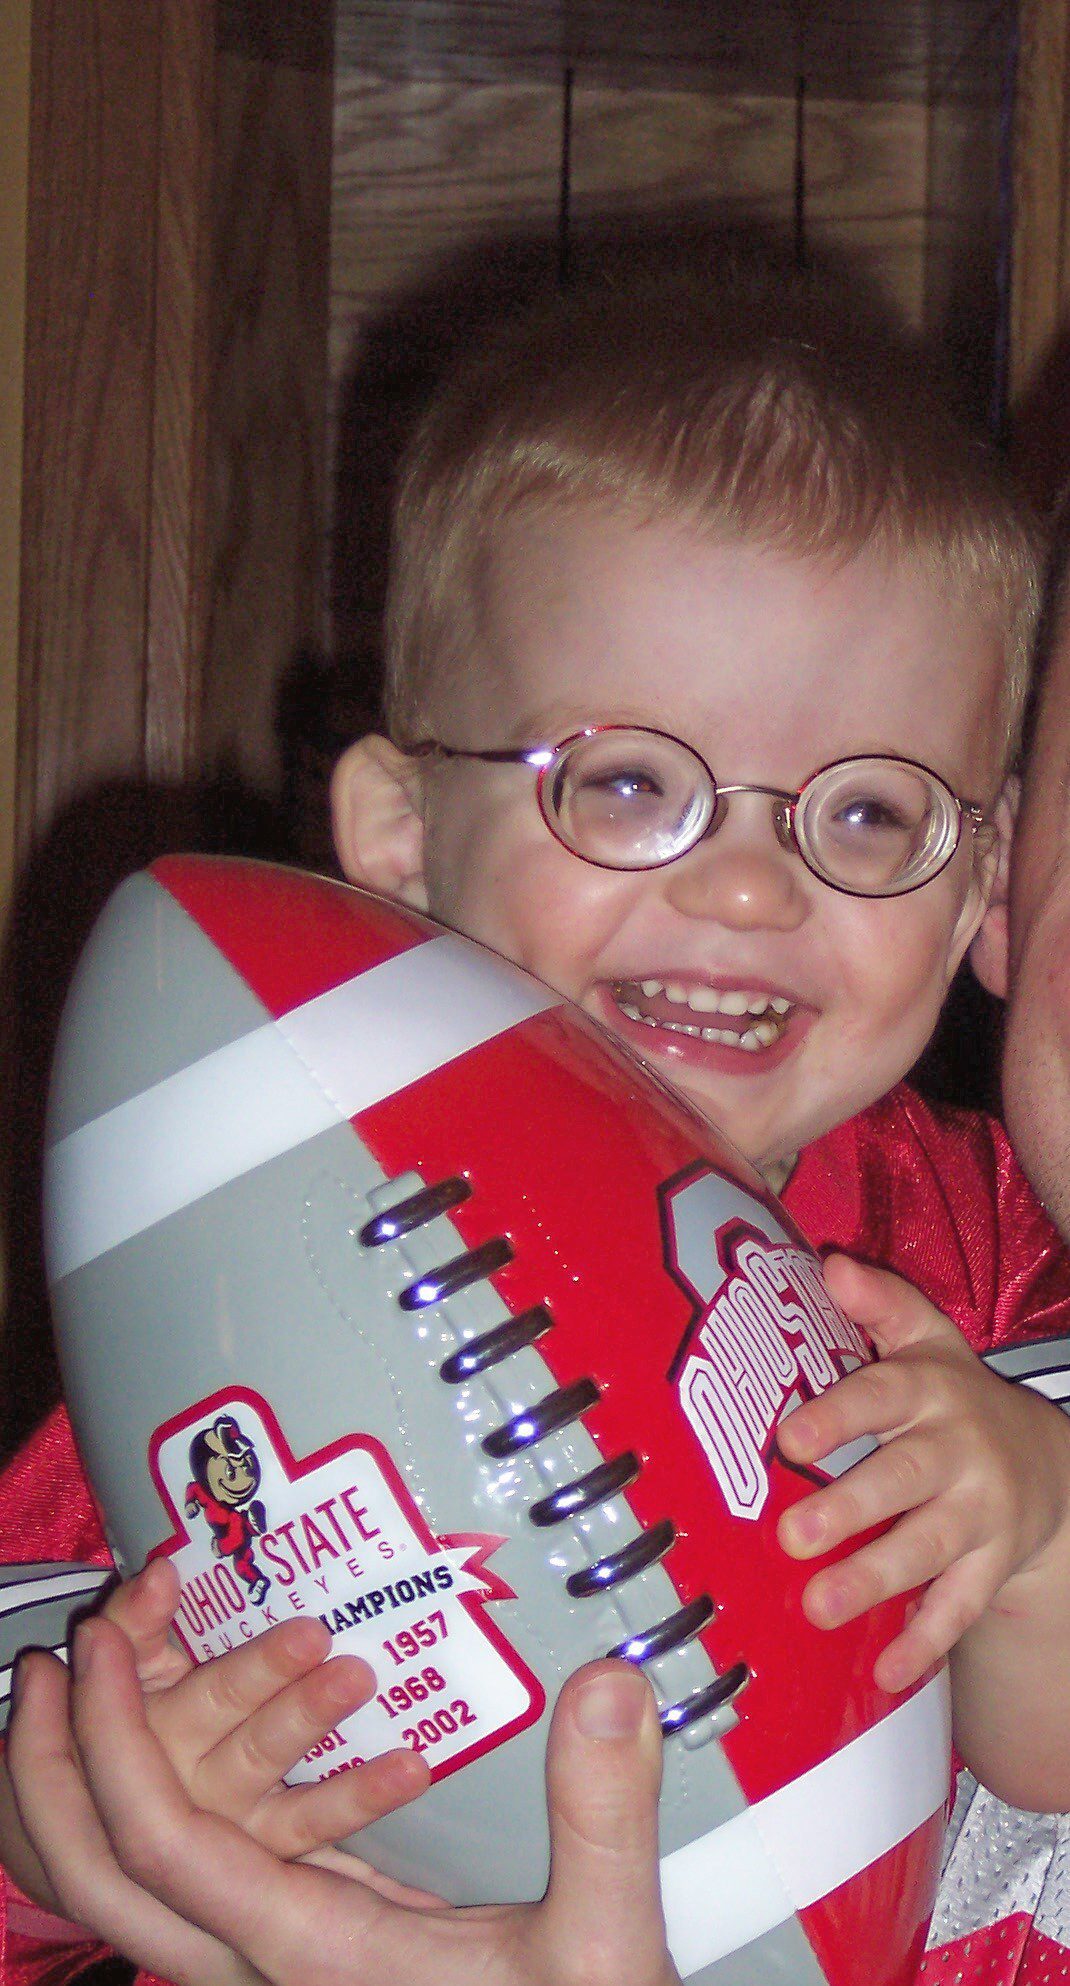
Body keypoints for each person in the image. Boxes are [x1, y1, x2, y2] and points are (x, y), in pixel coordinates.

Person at [4, 270, 1070, 1984]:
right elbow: (45, 1655)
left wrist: (1031, 1516)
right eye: (629, 783)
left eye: (868, 811)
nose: (744, 881)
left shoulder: (985, 1267)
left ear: (972, 900)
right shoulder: (237, 1282)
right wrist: (62, 1825)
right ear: (402, 836)